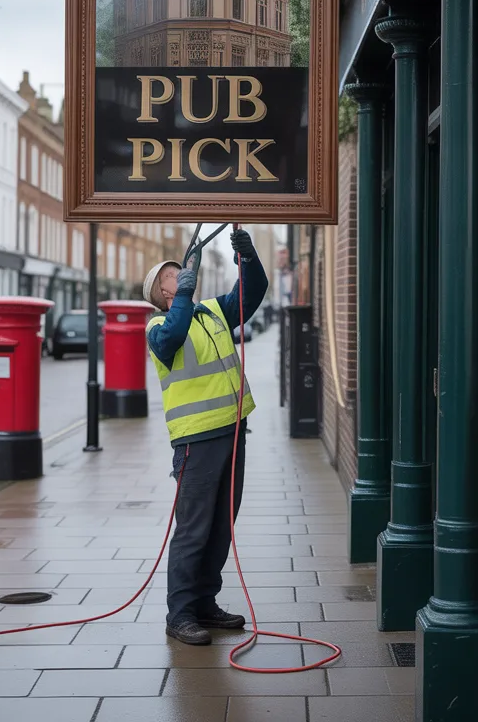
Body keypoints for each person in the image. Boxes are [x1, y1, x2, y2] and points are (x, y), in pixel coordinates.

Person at [142, 228, 268, 646]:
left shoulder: (212, 312)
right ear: (161, 293)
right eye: (172, 276)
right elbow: (174, 336)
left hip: (234, 430)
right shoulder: (159, 326)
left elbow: (253, 293)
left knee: (220, 526)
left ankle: (205, 604)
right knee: (193, 529)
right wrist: (183, 296)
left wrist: (246, 257)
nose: (182, 275)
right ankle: (179, 615)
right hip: (196, 440)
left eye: (183, 272)